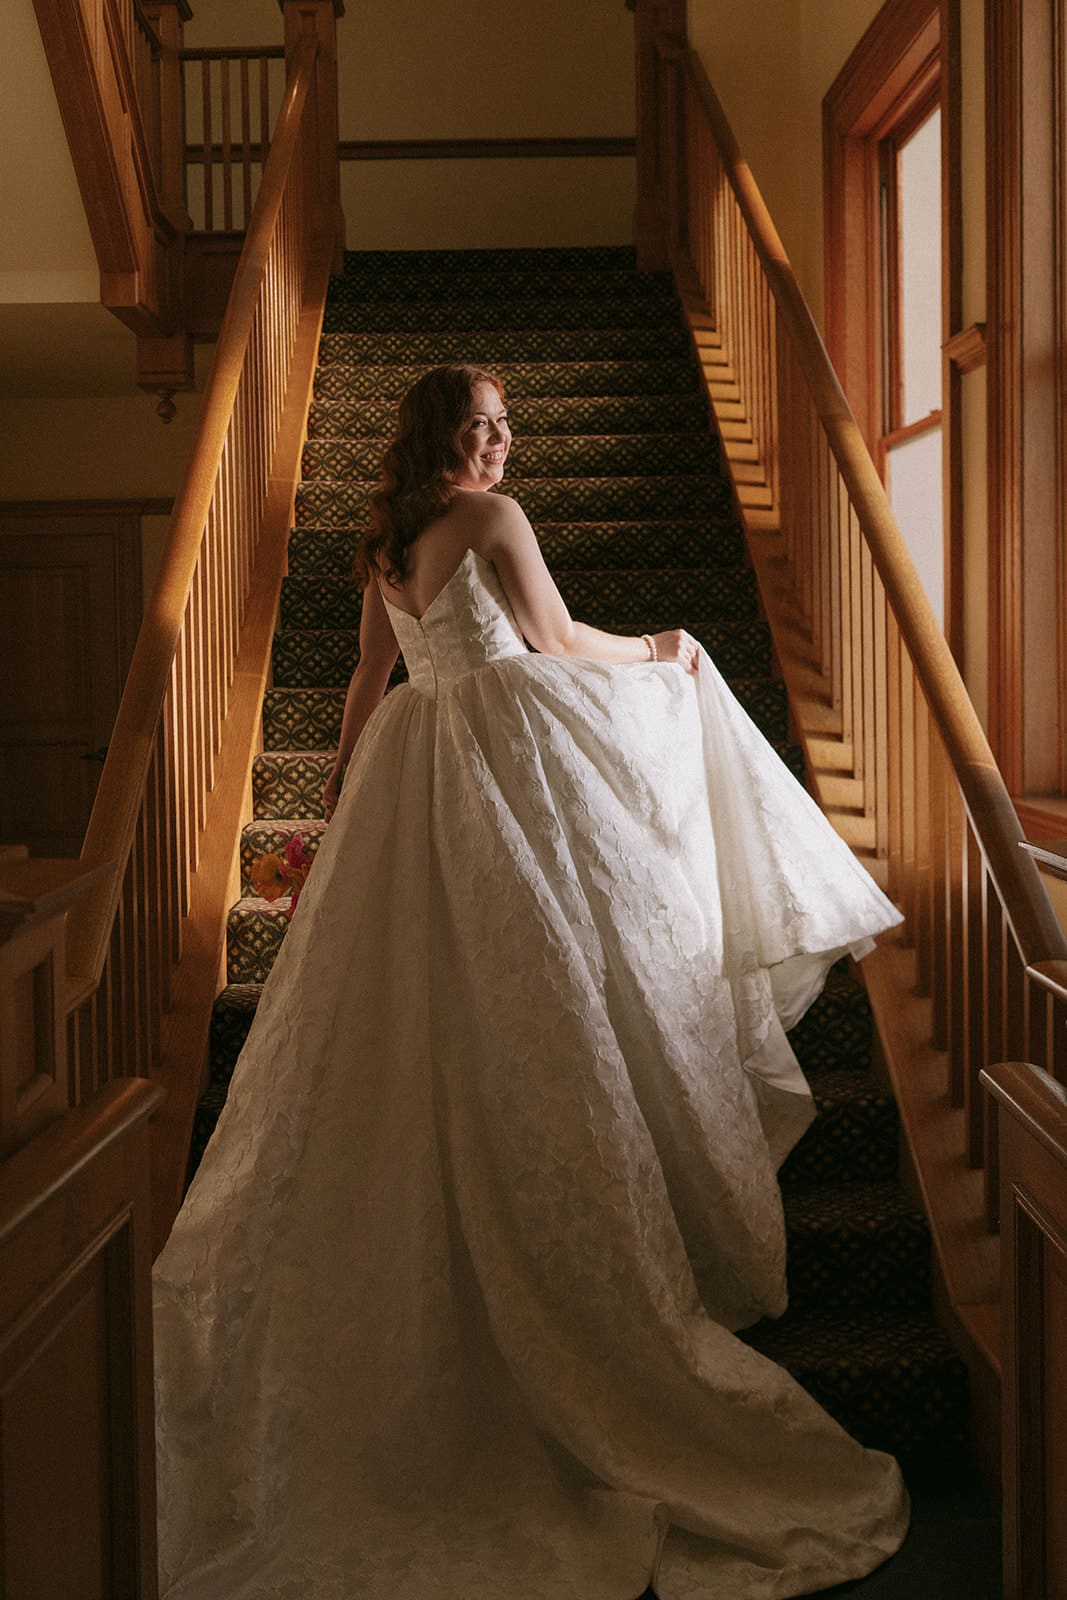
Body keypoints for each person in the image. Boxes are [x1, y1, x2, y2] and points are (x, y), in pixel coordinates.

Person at [153, 364, 910, 1600]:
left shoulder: (387, 536)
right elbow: (554, 643)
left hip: (415, 769)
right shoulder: (491, 521)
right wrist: (662, 649)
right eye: (483, 425)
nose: (501, 443)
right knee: (560, 965)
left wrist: (342, 796)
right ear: (447, 434)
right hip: (495, 760)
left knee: (439, 1013)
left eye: (505, 426)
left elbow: (370, 683)